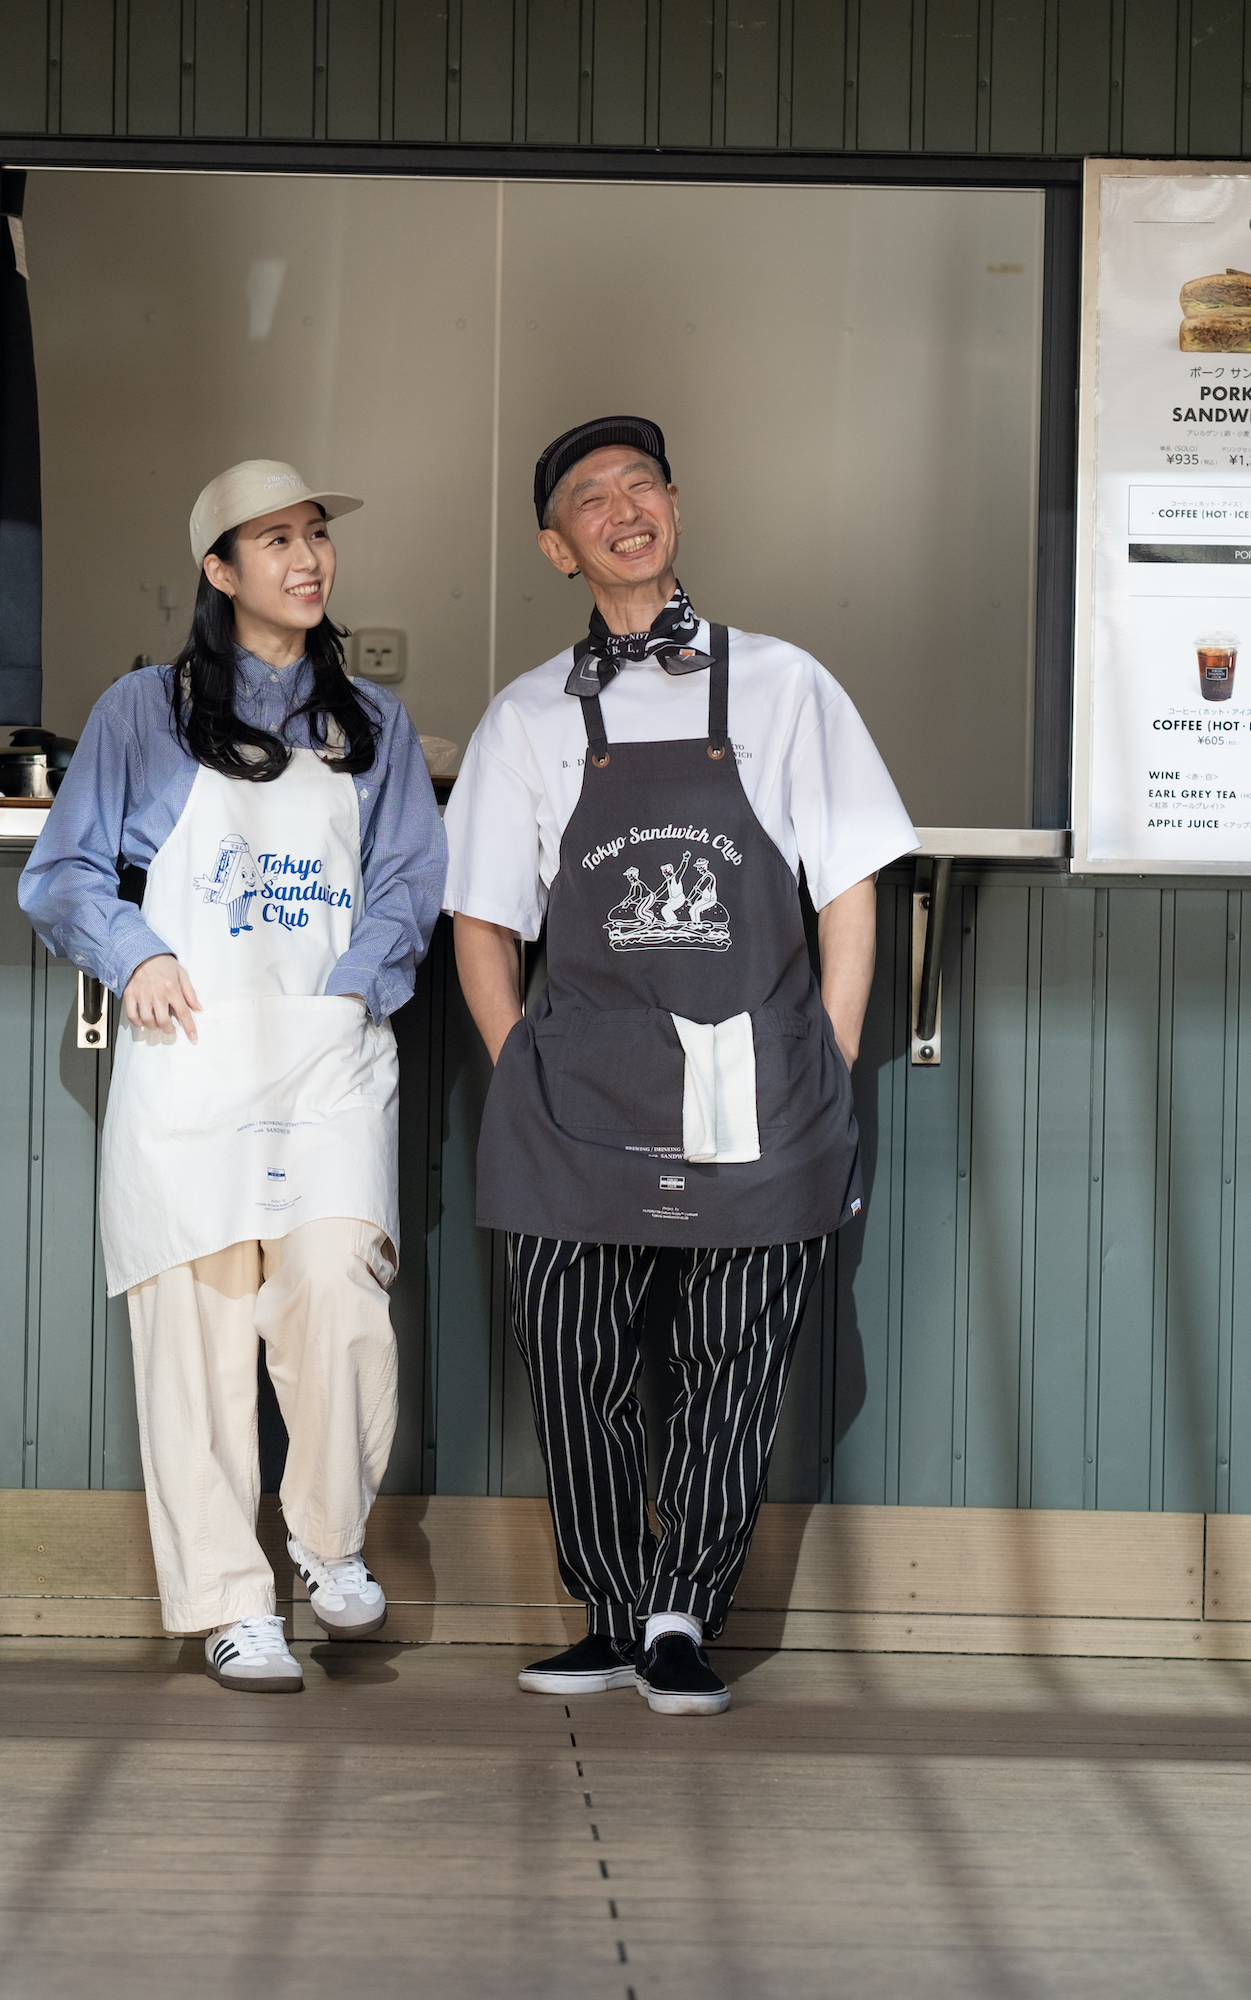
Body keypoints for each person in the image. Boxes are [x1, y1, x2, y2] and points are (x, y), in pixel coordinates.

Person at [443, 416, 918, 1716]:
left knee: (733, 1364)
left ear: (675, 508)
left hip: (753, 1085)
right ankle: (606, 1611)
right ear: (559, 549)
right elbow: (481, 917)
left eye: (640, 482)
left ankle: (679, 1617)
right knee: (573, 1363)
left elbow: (852, 884)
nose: (622, 507)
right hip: (579, 1095)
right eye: (589, 498)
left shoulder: (787, 685)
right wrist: (522, 1068)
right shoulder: (527, 715)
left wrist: (827, 1053)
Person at [21, 460, 444, 1694]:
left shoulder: (372, 721)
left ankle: (328, 1539)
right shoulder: (141, 713)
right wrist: (135, 951)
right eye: (277, 541)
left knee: (338, 1293)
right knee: (196, 1338)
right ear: (219, 570)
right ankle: (227, 1603)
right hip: (194, 1057)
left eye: (316, 535)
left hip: (325, 1056)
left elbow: (410, 878)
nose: (309, 559)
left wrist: (356, 982)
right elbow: (63, 872)